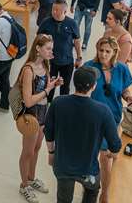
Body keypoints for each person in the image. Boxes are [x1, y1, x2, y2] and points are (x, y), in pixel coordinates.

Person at [44, 67, 122, 203]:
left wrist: (51, 153)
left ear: (74, 83)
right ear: (94, 86)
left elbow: (48, 132)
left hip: (63, 166)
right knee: (92, 192)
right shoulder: (103, 111)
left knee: (63, 199)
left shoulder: (58, 102)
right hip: (88, 169)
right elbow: (115, 145)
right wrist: (112, 151)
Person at [84, 37, 132, 203]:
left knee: (106, 160)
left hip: (111, 120)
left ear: (115, 52)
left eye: (108, 51)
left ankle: (105, 193)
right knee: (91, 159)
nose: (103, 54)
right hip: (91, 120)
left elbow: (124, 90)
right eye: (101, 50)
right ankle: (90, 191)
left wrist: (128, 97)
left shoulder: (121, 69)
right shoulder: (89, 67)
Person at [10, 34, 62, 203]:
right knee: (27, 152)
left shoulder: (46, 66)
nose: (51, 52)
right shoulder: (28, 70)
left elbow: (44, 90)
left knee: (37, 147)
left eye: (51, 49)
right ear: (38, 49)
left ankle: (31, 178)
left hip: (43, 112)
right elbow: (29, 100)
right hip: (31, 115)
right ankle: (24, 185)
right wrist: (47, 91)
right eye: (48, 48)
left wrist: (52, 85)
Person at [38, 0, 83, 100]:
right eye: (53, 9)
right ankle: (48, 105)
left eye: (58, 10)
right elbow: (38, 39)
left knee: (65, 87)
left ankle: (62, 106)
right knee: (49, 85)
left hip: (67, 62)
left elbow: (77, 41)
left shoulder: (72, 23)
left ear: (65, 11)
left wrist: (79, 57)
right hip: (50, 62)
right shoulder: (46, 22)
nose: (54, 12)